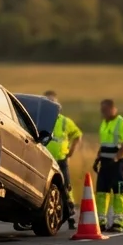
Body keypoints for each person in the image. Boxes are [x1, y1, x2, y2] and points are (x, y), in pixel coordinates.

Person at [43, 90, 83, 229]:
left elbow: (77, 134)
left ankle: (71, 215)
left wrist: (71, 151)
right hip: (44, 159)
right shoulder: (40, 119)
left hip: (60, 160)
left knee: (66, 187)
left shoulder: (65, 122)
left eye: (53, 103)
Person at [91, 99, 123, 233]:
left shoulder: (122, 123)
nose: (103, 113)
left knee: (118, 191)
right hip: (105, 162)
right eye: (102, 111)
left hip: (118, 164)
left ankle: (118, 222)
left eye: (105, 110)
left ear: (113, 109)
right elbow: (104, 144)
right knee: (102, 192)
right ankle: (101, 221)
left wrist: (116, 158)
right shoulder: (104, 123)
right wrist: (97, 159)